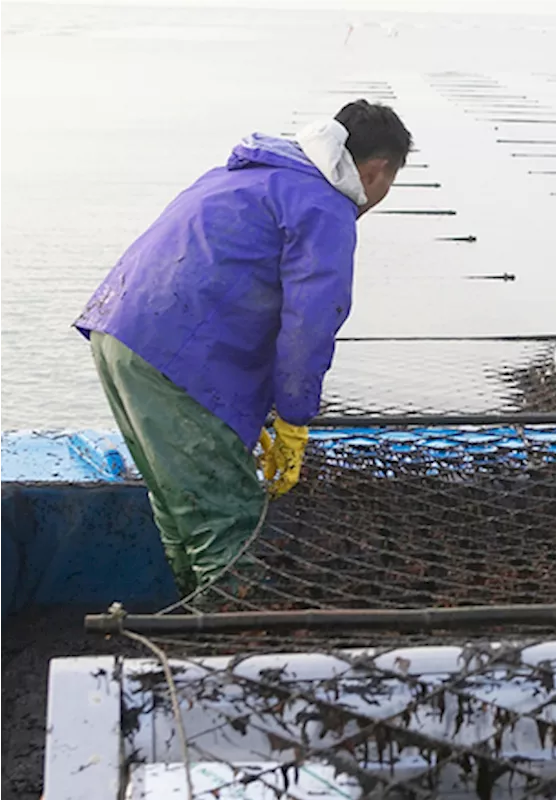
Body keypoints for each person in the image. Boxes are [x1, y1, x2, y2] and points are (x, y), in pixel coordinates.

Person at [74, 100, 413, 595]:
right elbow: (312, 322)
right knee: (228, 524)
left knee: (178, 505)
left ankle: (193, 625)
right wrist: (294, 417)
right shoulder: (325, 206)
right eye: (390, 182)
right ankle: (234, 649)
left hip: (118, 335)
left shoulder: (249, 172)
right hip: (176, 358)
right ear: (378, 169)